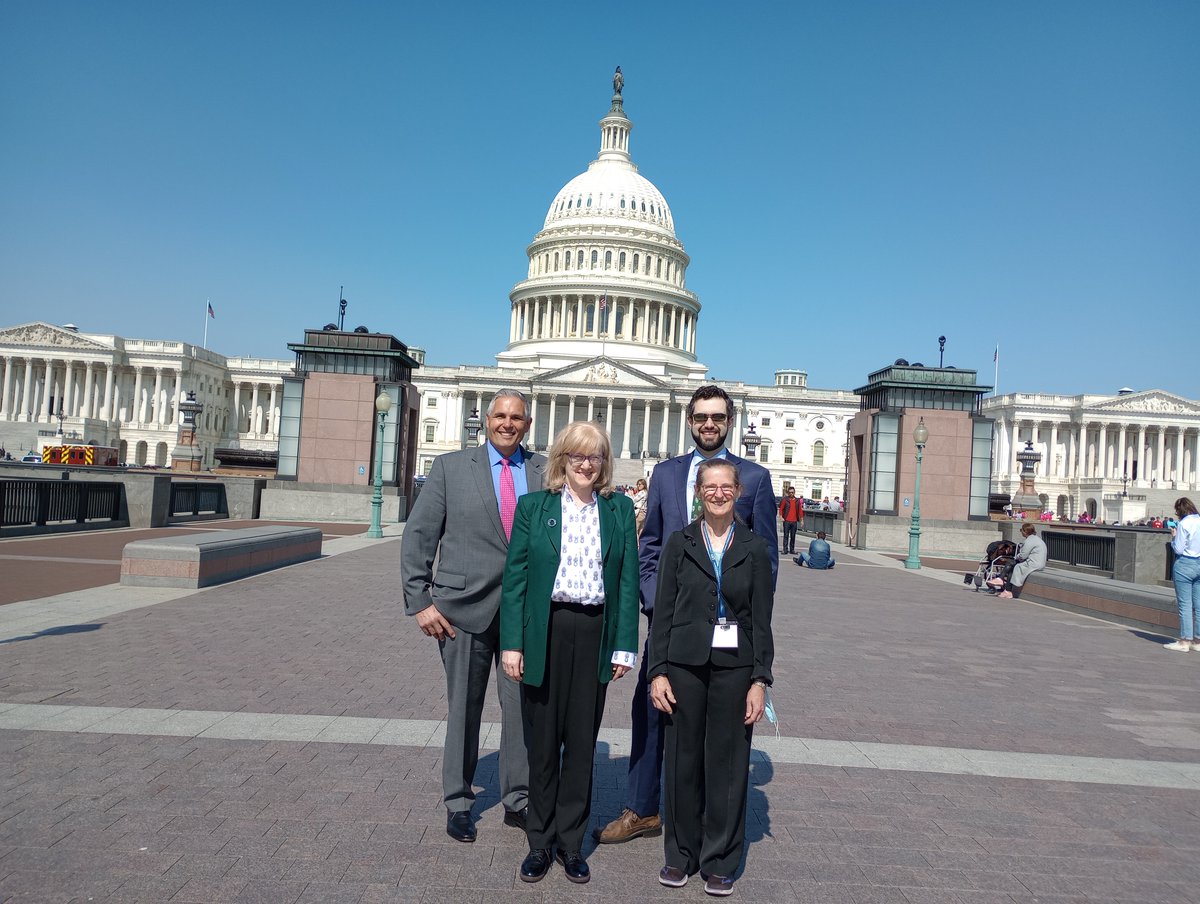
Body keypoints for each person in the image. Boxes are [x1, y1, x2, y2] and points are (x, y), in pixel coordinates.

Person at [597, 384, 777, 845]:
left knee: (717, 720)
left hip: (726, 629)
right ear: (690, 420)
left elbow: (767, 561)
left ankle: (699, 815)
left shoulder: (753, 478)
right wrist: (658, 600)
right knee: (653, 711)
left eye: (717, 416)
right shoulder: (665, 475)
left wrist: (746, 620)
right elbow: (651, 543)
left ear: (730, 421)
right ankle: (642, 807)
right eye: (700, 417)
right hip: (668, 621)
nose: (709, 424)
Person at [400, 389, 543, 843]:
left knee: (521, 710)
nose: (507, 423)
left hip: (522, 613)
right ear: (486, 419)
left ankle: (517, 799)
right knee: (464, 707)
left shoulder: (544, 471)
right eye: (499, 415)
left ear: (527, 423)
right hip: (460, 611)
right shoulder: (450, 468)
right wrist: (420, 601)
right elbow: (420, 535)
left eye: (515, 417)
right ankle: (459, 800)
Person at [500, 421, 640, 884]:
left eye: (595, 456)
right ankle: (539, 842)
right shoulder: (534, 508)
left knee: (581, 746)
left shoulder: (618, 511)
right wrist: (512, 644)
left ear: (604, 463)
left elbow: (626, 581)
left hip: (594, 632)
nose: (586, 464)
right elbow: (516, 579)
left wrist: (624, 645)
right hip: (546, 629)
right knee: (541, 746)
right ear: (561, 459)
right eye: (578, 455)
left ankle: (571, 844)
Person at [649, 459, 774, 896]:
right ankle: (680, 854)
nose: (718, 494)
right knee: (683, 759)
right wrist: (657, 671)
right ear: (698, 492)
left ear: (738, 491)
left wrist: (760, 679)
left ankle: (720, 859)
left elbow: (762, 619)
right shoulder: (679, 543)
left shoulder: (754, 547)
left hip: (735, 666)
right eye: (710, 487)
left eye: (726, 487)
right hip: (684, 663)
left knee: (728, 761)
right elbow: (663, 610)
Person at [1164, 497, 1200, 652]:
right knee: (1199, 606)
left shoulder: (1183, 524)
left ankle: (1184, 641)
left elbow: (1178, 549)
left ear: (1180, 510)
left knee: (1185, 605)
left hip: (1185, 564)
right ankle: (1198, 641)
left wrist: (1174, 536)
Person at [993, 523, 1046, 599]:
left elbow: (1023, 556)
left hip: (1034, 564)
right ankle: (1006, 589)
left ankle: (1001, 581)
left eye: (1021, 530)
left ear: (1025, 532)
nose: (1021, 532)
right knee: (1013, 566)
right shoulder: (1036, 539)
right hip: (1039, 563)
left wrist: (1016, 557)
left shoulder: (1029, 541)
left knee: (1014, 565)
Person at [778, 486, 802, 554]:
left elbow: (800, 510)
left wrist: (802, 520)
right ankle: (785, 549)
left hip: (794, 521)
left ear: (794, 492)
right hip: (787, 521)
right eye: (790, 492)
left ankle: (792, 549)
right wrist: (781, 517)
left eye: (792, 492)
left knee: (793, 536)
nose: (791, 493)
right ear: (788, 493)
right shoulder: (785, 500)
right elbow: (781, 509)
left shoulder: (797, 501)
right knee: (786, 535)